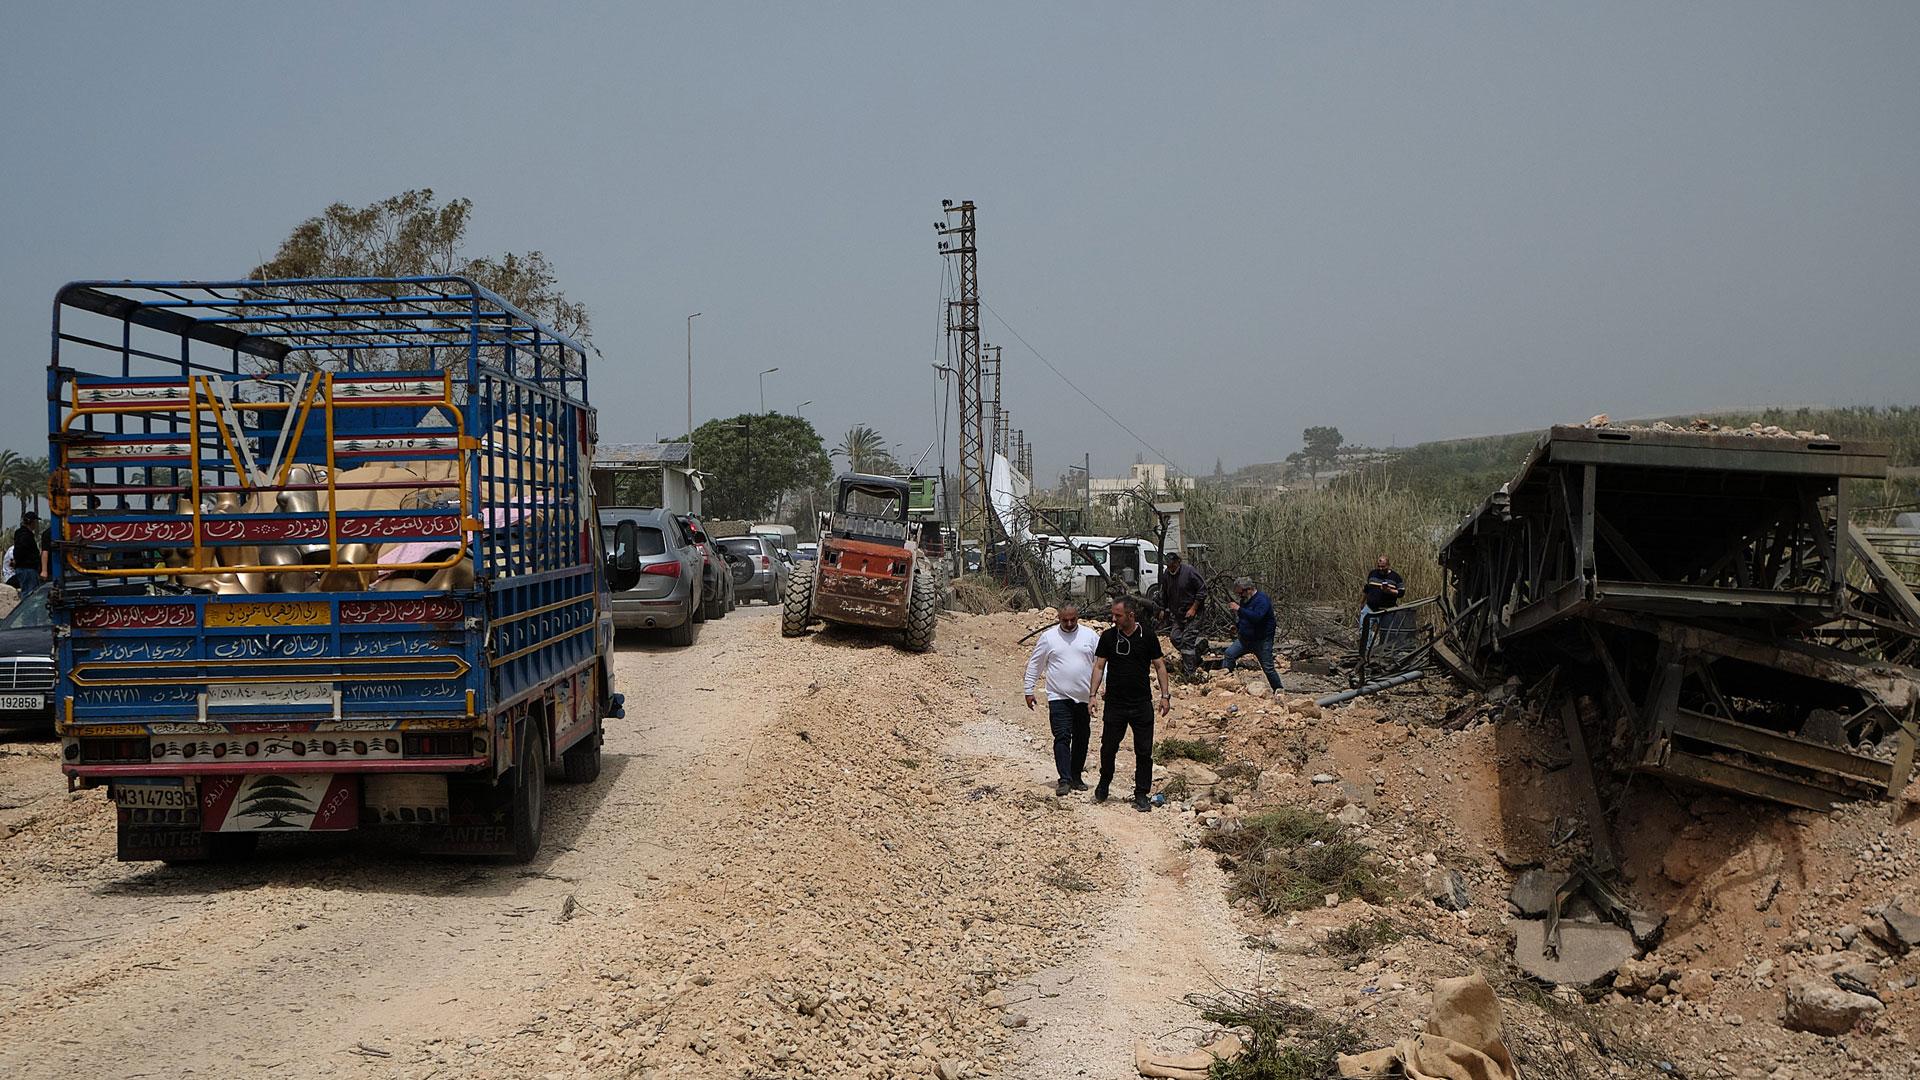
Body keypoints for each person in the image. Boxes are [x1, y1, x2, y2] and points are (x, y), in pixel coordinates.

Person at [1089, 597, 1172, 812]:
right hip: (1115, 703)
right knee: (1108, 747)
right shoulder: (1108, 637)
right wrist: (1092, 695)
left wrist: (1165, 696)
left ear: (1131, 615)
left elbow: (1160, 666)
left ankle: (1141, 793)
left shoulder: (1147, 636)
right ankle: (1104, 782)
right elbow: (1099, 667)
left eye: (1118, 615)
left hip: (1141, 703)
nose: (1113, 619)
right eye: (1113, 615)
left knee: (1144, 751)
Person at [1024, 603, 1100, 797]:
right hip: (1058, 696)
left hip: (1083, 698)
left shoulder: (1090, 636)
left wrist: (1104, 687)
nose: (1068, 623)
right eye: (1064, 620)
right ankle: (1064, 779)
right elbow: (1036, 663)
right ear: (1058, 618)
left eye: (1072, 619)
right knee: (1062, 736)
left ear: (1077, 617)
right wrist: (1029, 689)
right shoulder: (1049, 638)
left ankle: (1076, 776)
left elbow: (1101, 663)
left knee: (1082, 737)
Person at [1224, 577, 1283, 691]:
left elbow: (1257, 617)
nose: (1240, 596)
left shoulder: (1262, 600)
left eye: (1241, 593)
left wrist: (1239, 609)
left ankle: (1278, 690)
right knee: (1229, 654)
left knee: (1268, 668)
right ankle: (1227, 683)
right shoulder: (1245, 600)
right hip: (1245, 639)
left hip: (1262, 640)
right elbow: (1245, 618)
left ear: (1249, 589)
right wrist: (1237, 626)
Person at [1159, 550, 1205, 677]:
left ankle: (1190, 673)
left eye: (1172, 565)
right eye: (1168, 566)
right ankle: (1195, 654)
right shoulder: (1167, 575)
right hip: (1178, 614)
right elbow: (1165, 594)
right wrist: (1163, 609)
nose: (1170, 568)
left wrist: (1194, 608)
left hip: (1193, 613)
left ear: (1178, 562)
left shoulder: (1189, 572)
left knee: (1187, 640)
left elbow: (1202, 590)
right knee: (1175, 638)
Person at [1360, 555, 1404, 649]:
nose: (1380, 568)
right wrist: (1362, 602)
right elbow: (1366, 589)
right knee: (1364, 630)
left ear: (1388, 565)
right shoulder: (1372, 574)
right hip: (1370, 608)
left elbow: (1401, 593)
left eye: (1383, 566)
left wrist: (1389, 591)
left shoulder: (1396, 577)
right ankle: (1367, 650)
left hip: (1386, 610)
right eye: (1379, 566)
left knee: (1387, 633)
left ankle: (1385, 651)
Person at [9, 512, 42, 596]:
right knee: (29, 594)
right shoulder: (25, 535)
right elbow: (21, 550)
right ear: (32, 522)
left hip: (24, 568)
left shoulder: (20, 533)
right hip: (27, 569)